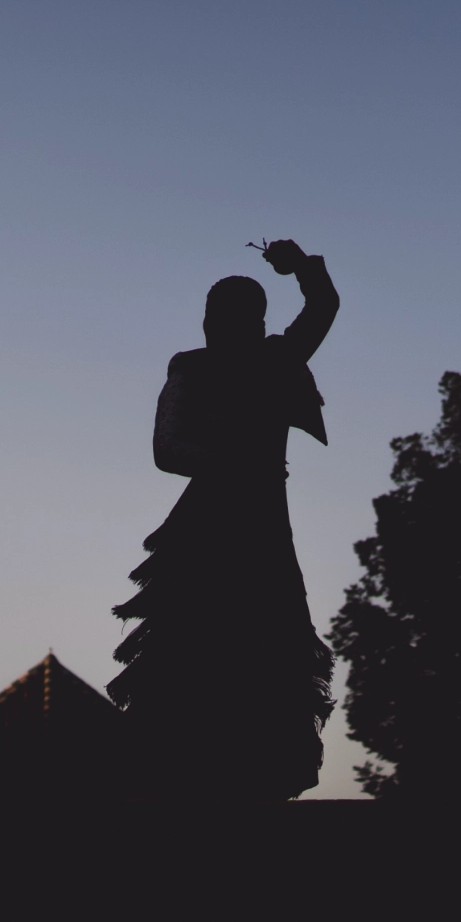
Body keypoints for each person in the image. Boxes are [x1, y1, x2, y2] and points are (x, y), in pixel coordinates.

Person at [109, 239, 339, 800]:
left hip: (260, 518)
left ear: (257, 320)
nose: (224, 325)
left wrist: (302, 265)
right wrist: (232, 464)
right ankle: (187, 761)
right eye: (219, 315)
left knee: (266, 638)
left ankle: (257, 765)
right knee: (196, 637)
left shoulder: (279, 358)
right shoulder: (193, 367)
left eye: (238, 315)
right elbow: (168, 448)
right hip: (213, 517)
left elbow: (323, 306)